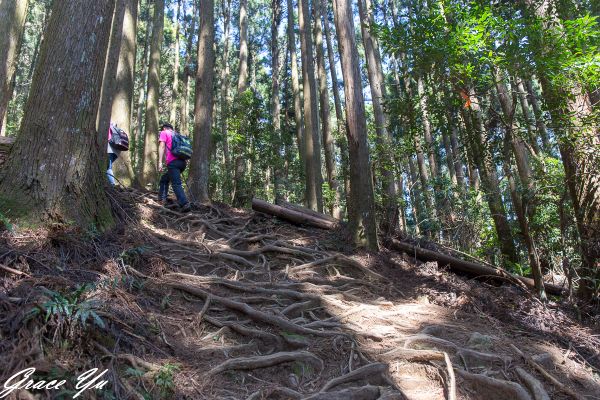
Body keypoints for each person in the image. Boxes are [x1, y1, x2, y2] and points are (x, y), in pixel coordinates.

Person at [158, 123, 191, 212]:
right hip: (182, 163)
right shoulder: (177, 135)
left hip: (173, 163)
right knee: (164, 179)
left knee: (176, 184)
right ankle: (162, 199)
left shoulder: (164, 132)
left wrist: (160, 162)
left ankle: (184, 204)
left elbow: (162, 146)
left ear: (164, 128)